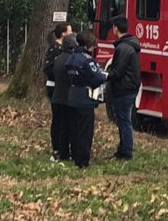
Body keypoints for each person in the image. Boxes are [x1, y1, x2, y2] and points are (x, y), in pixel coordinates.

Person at [64, 31, 108, 169]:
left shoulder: (71, 58)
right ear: (89, 45)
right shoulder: (87, 60)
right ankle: (83, 160)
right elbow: (98, 78)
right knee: (85, 131)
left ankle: (76, 155)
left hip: (72, 96)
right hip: (85, 98)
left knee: (74, 130)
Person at [104, 16, 141, 160]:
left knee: (124, 121)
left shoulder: (123, 48)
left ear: (115, 28)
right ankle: (123, 148)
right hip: (129, 88)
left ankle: (126, 152)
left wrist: (105, 75)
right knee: (124, 120)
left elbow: (118, 71)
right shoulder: (130, 45)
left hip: (123, 89)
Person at [50, 34, 78, 162]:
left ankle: (58, 150)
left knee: (58, 125)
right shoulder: (71, 60)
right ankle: (66, 152)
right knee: (68, 126)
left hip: (56, 96)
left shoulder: (58, 59)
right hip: (68, 98)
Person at [44, 23, 72, 100]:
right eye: (70, 31)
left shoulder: (66, 48)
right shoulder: (55, 48)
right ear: (63, 33)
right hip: (55, 86)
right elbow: (48, 68)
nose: (71, 33)